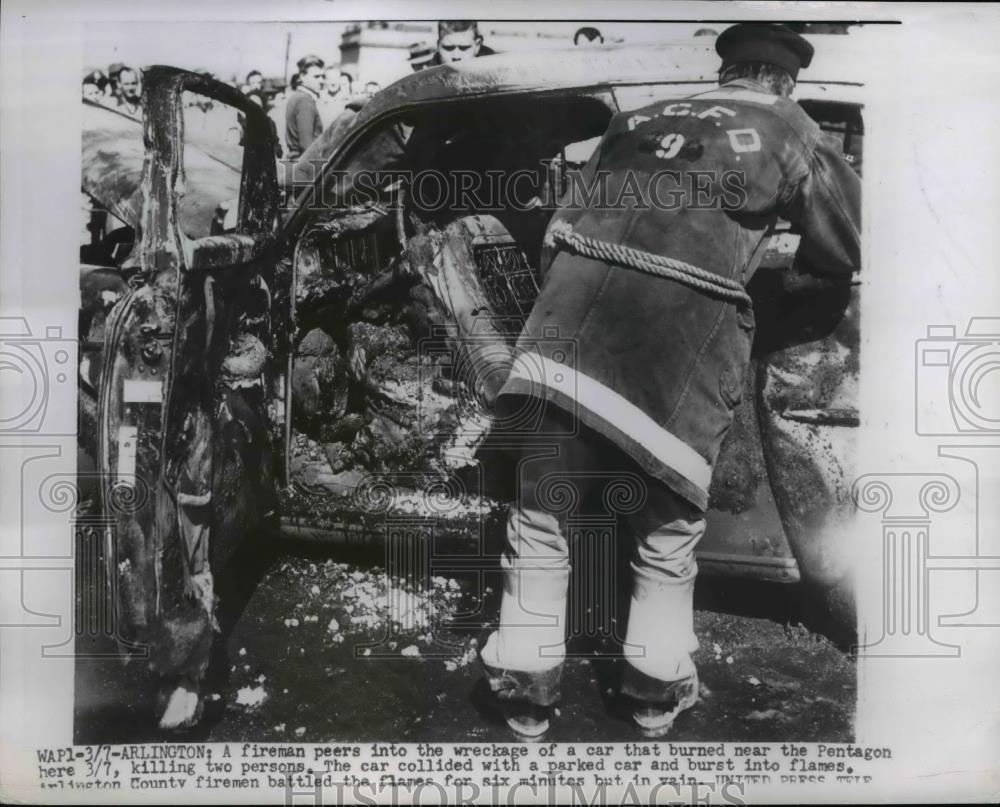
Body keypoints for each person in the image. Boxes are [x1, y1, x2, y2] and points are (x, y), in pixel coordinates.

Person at [478, 23, 861, 741]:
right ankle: (652, 694)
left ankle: (525, 694)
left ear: (726, 72)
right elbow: (847, 238)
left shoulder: (638, 117)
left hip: (562, 323)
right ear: (785, 81)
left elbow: (565, 220)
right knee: (665, 527)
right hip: (670, 341)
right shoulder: (789, 127)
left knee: (540, 517)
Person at [285, 54, 326, 160]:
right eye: (316, 77)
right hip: (305, 164)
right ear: (302, 77)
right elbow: (306, 145)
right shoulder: (304, 100)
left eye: (323, 76)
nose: (322, 81)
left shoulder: (298, 96)